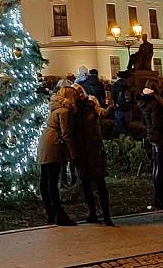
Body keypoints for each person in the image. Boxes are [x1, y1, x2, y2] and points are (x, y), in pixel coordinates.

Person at [72, 83, 114, 225]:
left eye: (80, 91)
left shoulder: (91, 104)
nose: (79, 94)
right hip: (83, 152)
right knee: (87, 186)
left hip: (94, 150)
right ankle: (93, 213)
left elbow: (102, 113)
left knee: (100, 185)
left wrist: (110, 106)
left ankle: (106, 215)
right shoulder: (73, 109)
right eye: (76, 92)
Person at [37, 85, 78, 225]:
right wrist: (73, 155)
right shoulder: (65, 111)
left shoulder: (55, 108)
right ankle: (59, 215)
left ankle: (50, 213)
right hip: (54, 144)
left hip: (45, 142)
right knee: (52, 182)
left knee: (45, 180)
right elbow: (67, 134)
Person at [138, 79, 163, 208]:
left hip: (152, 137)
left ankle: (157, 198)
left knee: (156, 166)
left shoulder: (144, 101)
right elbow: (157, 123)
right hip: (159, 137)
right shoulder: (155, 103)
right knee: (160, 168)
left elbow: (146, 122)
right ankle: (159, 198)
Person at [112, 70, 132, 136]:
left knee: (119, 127)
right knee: (128, 127)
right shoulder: (129, 85)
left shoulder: (115, 85)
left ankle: (121, 142)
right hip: (128, 109)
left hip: (118, 109)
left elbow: (113, 97)